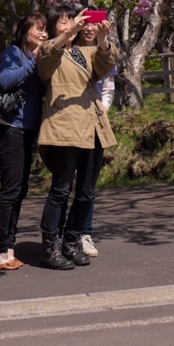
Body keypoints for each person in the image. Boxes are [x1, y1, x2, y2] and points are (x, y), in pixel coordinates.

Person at [36, 4, 118, 270]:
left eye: (72, 21)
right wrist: (68, 33)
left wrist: (104, 39)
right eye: (62, 22)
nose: (70, 25)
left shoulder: (85, 51)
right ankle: (50, 247)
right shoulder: (49, 51)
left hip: (92, 126)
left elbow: (106, 64)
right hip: (64, 127)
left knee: (86, 191)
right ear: (52, 28)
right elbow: (45, 63)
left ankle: (71, 241)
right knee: (61, 189)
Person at [0, 12, 47, 271]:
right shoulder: (13, 52)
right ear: (24, 32)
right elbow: (6, 79)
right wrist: (33, 61)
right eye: (38, 29)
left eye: (45, 31)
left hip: (29, 130)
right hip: (11, 130)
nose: (43, 34)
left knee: (20, 190)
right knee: (10, 191)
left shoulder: (38, 58)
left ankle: (8, 246)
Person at [76, 20, 118, 258]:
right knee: (62, 186)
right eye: (86, 24)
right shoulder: (67, 51)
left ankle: (84, 233)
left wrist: (102, 109)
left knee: (88, 185)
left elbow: (109, 88)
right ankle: (63, 233)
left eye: (95, 24)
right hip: (70, 125)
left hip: (96, 124)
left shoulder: (105, 51)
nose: (90, 29)